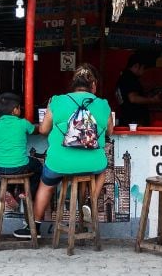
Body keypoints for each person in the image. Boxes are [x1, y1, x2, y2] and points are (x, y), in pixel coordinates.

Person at [23, 64, 113, 239]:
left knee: (47, 185)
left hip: (59, 163)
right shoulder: (103, 104)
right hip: (92, 163)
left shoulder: (57, 101)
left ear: (72, 84)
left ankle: (33, 229)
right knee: (102, 171)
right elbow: (110, 131)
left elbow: (43, 130)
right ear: (93, 85)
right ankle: (89, 202)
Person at [0, 91, 42, 203]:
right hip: (19, 167)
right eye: (19, 108)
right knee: (38, 166)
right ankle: (26, 192)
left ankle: (9, 192)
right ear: (15, 110)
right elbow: (35, 130)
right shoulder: (23, 123)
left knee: (11, 170)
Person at [114, 52, 161, 127]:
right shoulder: (130, 78)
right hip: (135, 122)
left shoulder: (122, 78)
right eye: (143, 68)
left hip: (127, 118)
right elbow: (133, 98)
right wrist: (152, 100)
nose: (144, 71)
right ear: (136, 66)